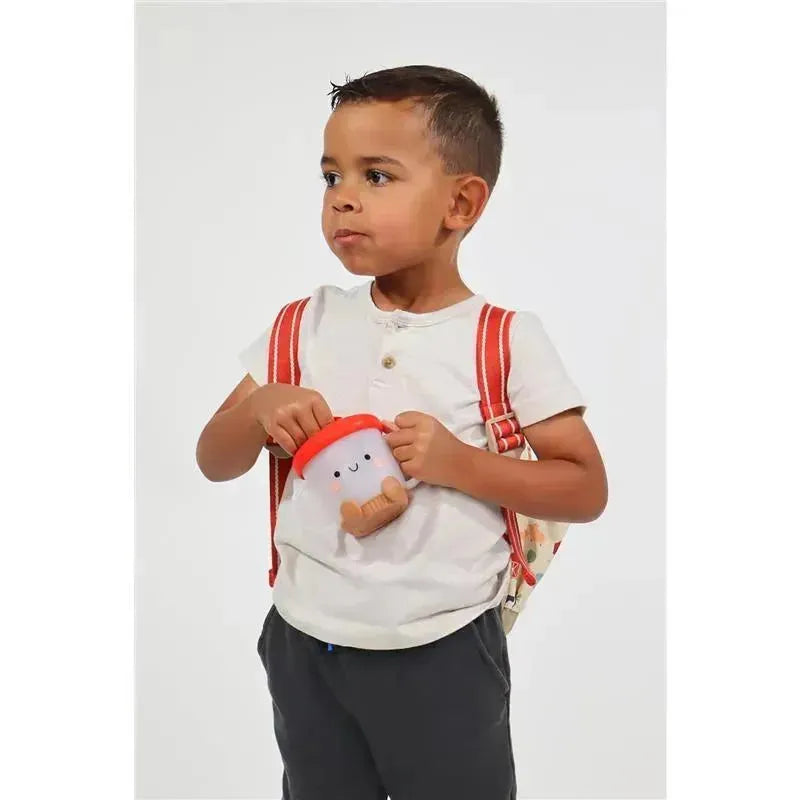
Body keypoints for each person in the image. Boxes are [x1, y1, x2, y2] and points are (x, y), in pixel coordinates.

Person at [196, 64, 608, 800]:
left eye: (377, 175)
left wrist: (458, 463)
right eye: (331, 176)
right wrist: (259, 412)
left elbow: (584, 488)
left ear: (461, 203)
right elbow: (213, 459)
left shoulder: (502, 340)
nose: (343, 197)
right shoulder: (304, 325)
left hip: (441, 651)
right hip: (304, 640)